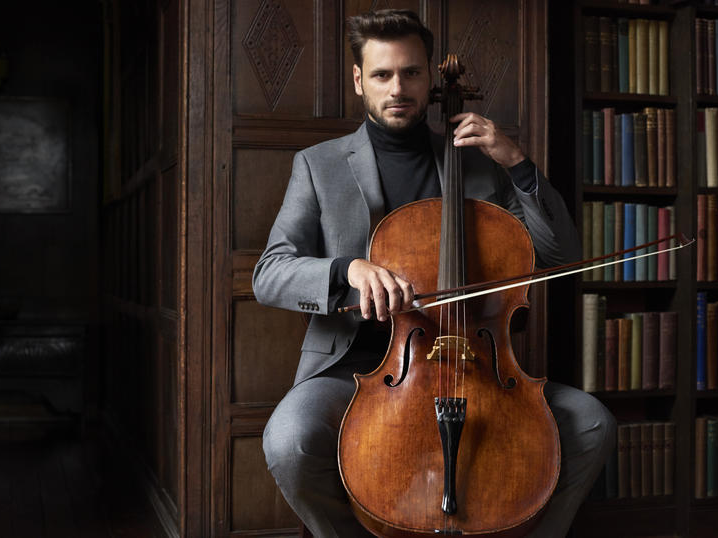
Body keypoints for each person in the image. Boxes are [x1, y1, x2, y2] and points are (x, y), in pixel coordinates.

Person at [253, 9, 615, 538]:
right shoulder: (318, 165)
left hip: (477, 364)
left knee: (593, 424)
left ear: (428, 76)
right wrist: (347, 269)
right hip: (352, 368)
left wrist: (515, 161)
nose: (397, 87)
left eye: (411, 73)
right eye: (382, 74)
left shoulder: (476, 162)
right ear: (359, 81)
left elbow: (559, 252)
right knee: (289, 440)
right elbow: (271, 271)